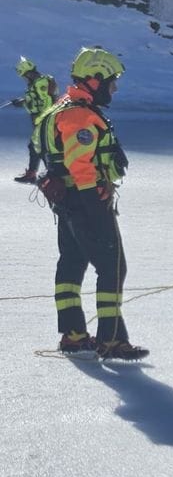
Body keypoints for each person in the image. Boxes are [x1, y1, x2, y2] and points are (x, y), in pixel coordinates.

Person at [39, 46, 147, 360]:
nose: (114, 88)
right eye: (111, 82)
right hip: (84, 199)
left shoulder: (63, 107)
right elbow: (79, 162)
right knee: (112, 267)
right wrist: (93, 200)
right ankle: (110, 340)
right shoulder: (79, 114)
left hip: (69, 201)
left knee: (71, 264)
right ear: (95, 79)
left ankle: (73, 335)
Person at [12, 56, 57, 184]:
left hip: (44, 119)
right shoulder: (37, 83)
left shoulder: (40, 83)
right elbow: (36, 100)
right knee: (36, 147)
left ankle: (52, 175)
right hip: (41, 120)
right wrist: (22, 101)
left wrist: (24, 103)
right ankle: (35, 174)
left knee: (40, 148)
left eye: (25, 76)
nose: (24, 79)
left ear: (28, 73)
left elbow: (42, 102)